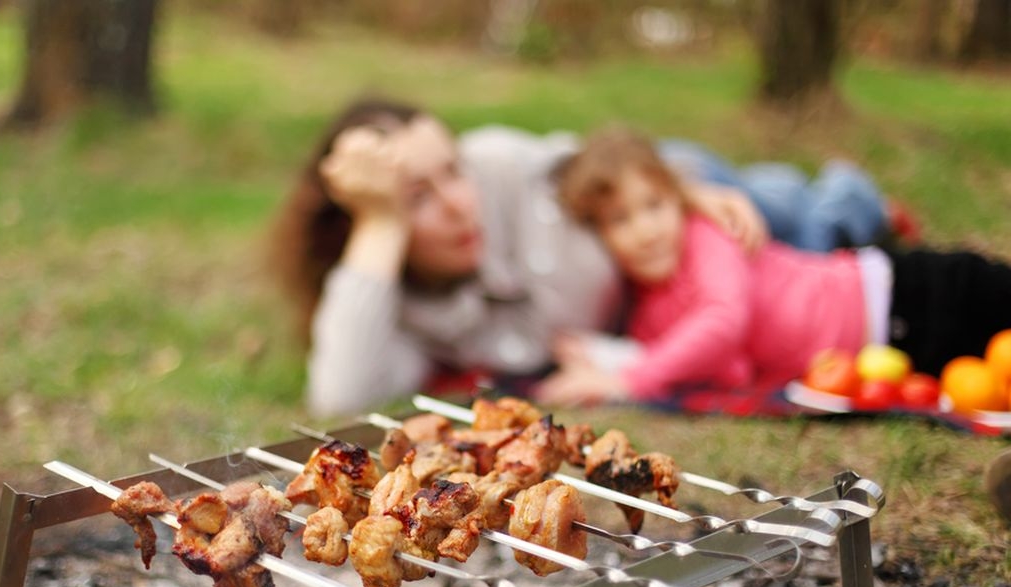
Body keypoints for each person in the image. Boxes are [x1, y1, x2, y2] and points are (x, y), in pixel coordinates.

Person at [270, 97, 895, 417]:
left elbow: (608, 166)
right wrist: (382, 222)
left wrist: (683, 193)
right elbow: (340, 398)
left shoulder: (498, 162)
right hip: (662, 303)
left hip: (666, 213)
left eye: (451, 170)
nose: (460, 205)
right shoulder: (398, 308)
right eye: (416, 197)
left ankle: (852, 189)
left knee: (808, 219)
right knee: (800, 272)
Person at [535, 126, 1011, 406]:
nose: (646, 229)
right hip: (892, 351)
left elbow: (723, 322)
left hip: (899, 290)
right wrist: (600, 355)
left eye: (655, 205)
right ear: (600, 236)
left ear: (678, 200)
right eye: (621, 219)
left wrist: (626, 379)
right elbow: (733, 369)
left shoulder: (706, 237)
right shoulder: (650, 313)